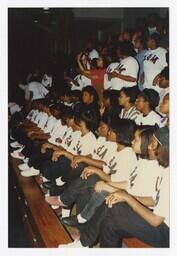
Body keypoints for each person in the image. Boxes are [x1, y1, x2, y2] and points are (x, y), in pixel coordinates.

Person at [59, 126, 169, 248]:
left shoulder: (164, 172)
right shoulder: (157, 166)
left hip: (166, 232)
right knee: (109, 212)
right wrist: (113, 189)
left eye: (153, 143)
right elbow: (151, 198)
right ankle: (83, 233)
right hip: (148, 212)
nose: (150, 146)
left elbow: (155, 219)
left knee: (112, 206)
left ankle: (82, 239)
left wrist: (126, 197)